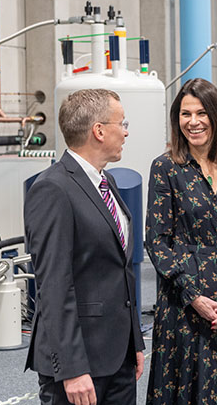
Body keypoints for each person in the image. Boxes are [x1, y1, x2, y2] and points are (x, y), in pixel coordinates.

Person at [24, 88, 145, 405]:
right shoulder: (53, 188)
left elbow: (119, 269)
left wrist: (135, 343)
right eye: (122, 123)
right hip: (79, 363)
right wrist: (72, 369)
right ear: (99, 131)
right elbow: (53, 285)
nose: (126, 131)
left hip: (117, 355)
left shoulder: (107, 183)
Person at [145, 78, 217, 404]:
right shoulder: (165, 168)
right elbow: (156, 241)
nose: (193, 122)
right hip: (183, 306)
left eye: (201, 113)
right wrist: (193, 295)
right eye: (185, 114)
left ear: (216, 116)